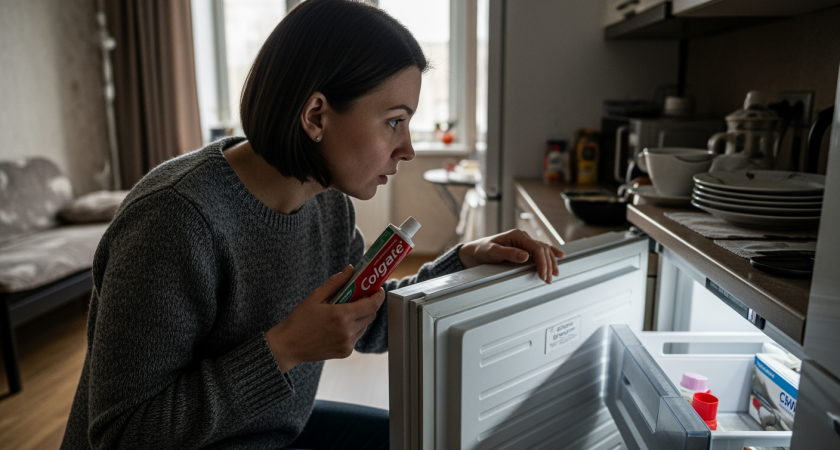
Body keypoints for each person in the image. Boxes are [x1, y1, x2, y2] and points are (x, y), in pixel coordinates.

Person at [60, 1, 564, 449]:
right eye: (394, 120)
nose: (407, 148)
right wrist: (284, 349)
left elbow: (366, 322)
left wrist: (465, 262)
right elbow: (121, 433)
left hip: (274, 430)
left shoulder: (327, 203)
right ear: (316, 116)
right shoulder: (174, 221)